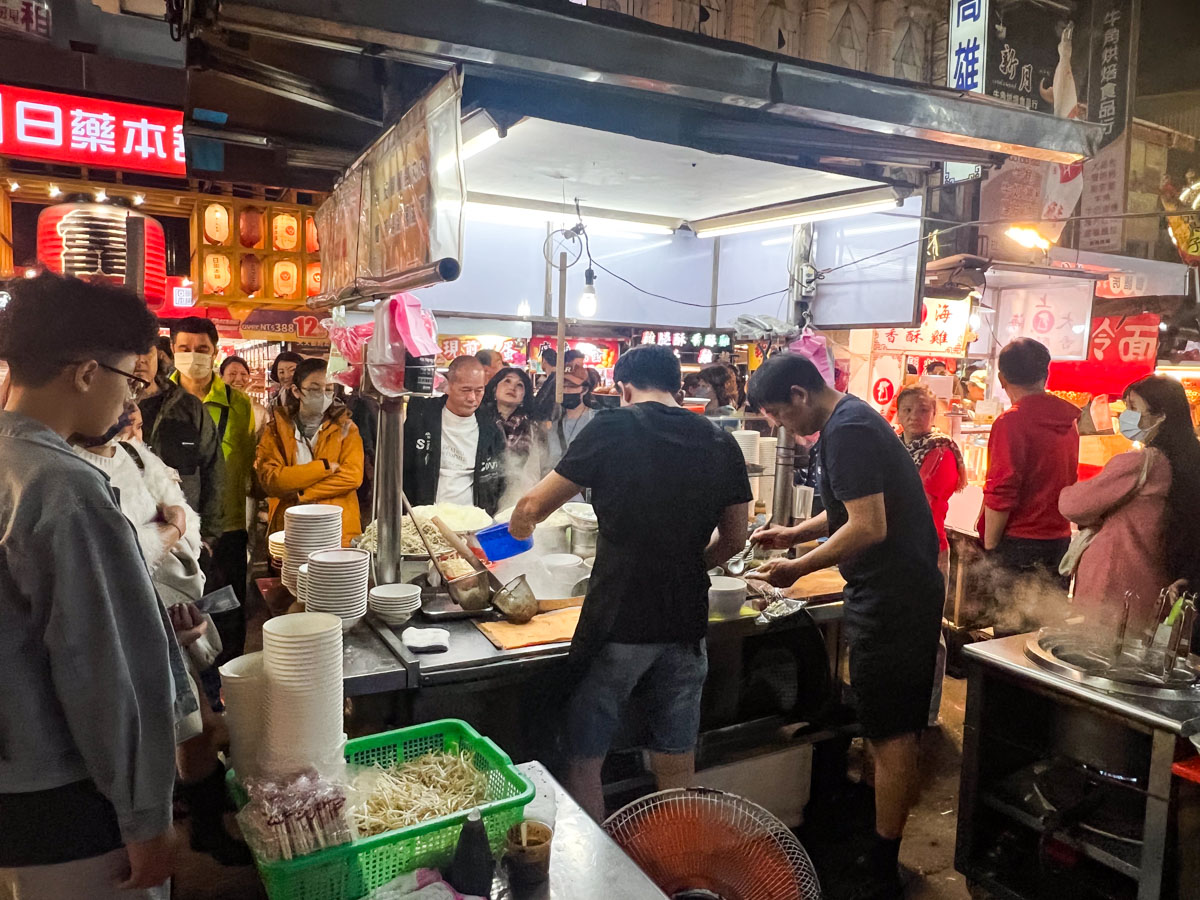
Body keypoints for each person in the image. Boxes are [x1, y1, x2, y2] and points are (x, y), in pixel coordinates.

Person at [0, 274, 192, 899]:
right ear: (85, 373)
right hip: (72, 800)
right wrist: (146, 819)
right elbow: (104, 669)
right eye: (132, 380)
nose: (131, 400)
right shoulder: (64, 486)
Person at [509, 345, 751, 821]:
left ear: (623, 388)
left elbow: (531, 508)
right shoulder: (720, 440)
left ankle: (602, 880)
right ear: (677, 386)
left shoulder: (613, 426)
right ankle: (674, 874)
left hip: (619, 619)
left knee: (585, 758)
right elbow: (736, 537)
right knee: (676, 760)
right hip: (686, 621)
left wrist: (513, 533)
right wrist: (687, 566)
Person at [747, 353, 943, 900]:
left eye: (781, 416)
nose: (785, 428)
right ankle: (880, 844)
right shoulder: (847, 420)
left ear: (800, 395)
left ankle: (883, 867)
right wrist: (792, 534)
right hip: (884, 591)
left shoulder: (848, 431)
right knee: (884, 725)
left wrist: (797, 568)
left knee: (892, 731)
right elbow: (847, 510)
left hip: (895, 597)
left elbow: (868, 526)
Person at [73, 407, 252, 867]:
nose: (131, 411)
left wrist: (176, 531)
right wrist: (168, 529)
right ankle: (195, 830)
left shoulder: (133, 455)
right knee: (184, 731)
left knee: (202, 722)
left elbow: (181, 513)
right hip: (133, 626)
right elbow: (124, 551)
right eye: (124, 401)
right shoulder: (69, 471)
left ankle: (205, 819)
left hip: (179, 608)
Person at [1059, 376, 1200, 633]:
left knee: (1096, 656)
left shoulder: (1140, 463)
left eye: (1134, 408)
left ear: (1161, 415)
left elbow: (1074, 504)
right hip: (1155, 585)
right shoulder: (1190, 462)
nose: (1126, 416)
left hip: (1112, 585)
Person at [171, 317, 257, 653]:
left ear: (215, 352)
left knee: (230, 607)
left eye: (202, 349)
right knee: (180, 606)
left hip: (228, 525)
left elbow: (246, 461)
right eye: (185, 349)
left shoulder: (239, 404)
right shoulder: (160, 401)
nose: (194, 355)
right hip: (174, 527)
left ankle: (228, 681)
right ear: (172, 350)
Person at [979, 338, 1080, 590]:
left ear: (1002, 379)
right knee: (1045, 625)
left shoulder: (1010, 422)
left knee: (1013, 627)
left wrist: (990, 545)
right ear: (1045, 374)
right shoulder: (1070, 420)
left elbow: (1002, 488)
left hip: (1019, 545)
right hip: (1059, 541)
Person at [256, 358, 365, 544]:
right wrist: (322, 468)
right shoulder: (275, 430)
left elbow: (352, 477)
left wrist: (302, 493)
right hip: (289, 529)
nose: (323, 395)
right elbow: (272, 480)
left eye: (329, 389)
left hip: (337, 531)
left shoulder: (347, 428)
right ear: (296, 391)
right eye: (314, 389)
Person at [136, 342, 225, 545]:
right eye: (131, 352)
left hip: (186, 536)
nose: (140, 360)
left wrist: (209, 535)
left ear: (157, 355)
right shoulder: (109, 409)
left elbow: (213, 469)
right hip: (129, 535)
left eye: (146, 352)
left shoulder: (188, 407)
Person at [404, 355, 505, 513]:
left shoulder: (490, 428)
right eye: (465, 390)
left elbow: (500, 480)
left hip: (472, 521)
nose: (472, 398)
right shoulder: (421, 419)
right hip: (425, 519)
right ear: (448, 386)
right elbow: (404, 471)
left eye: (479, 391)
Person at [896, 384, 967, 574]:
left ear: (934, 414)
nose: (914, 416)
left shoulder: (941, 452)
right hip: (894, 546)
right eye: (908, 410)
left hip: (924, 547)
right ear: (898, 414)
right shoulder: (894, 446)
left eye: (923, 410)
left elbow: (919, 503)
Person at [220, 355, 268, 434]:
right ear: (221, 377)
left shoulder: (259, 411)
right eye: (232, 374)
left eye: (243, 374)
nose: (238, 379)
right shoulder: (211, 407)